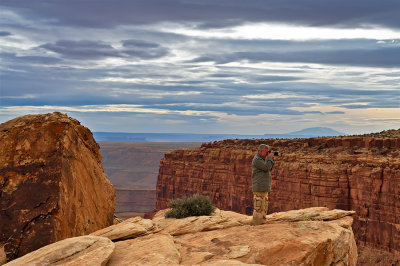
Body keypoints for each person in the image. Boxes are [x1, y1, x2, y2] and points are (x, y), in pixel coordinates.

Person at [251, 144, 274, 225]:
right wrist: (270, 158)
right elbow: (267, 168)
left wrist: (269, 158)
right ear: (261, 151)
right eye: (266, 152)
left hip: (263, 188)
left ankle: (262, 223)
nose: (268, 153)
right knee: (259, 208)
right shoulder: (257, 159)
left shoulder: (262, 159)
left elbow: (269, 168)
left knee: (263, 207)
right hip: (259, 187)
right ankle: (257, 225)